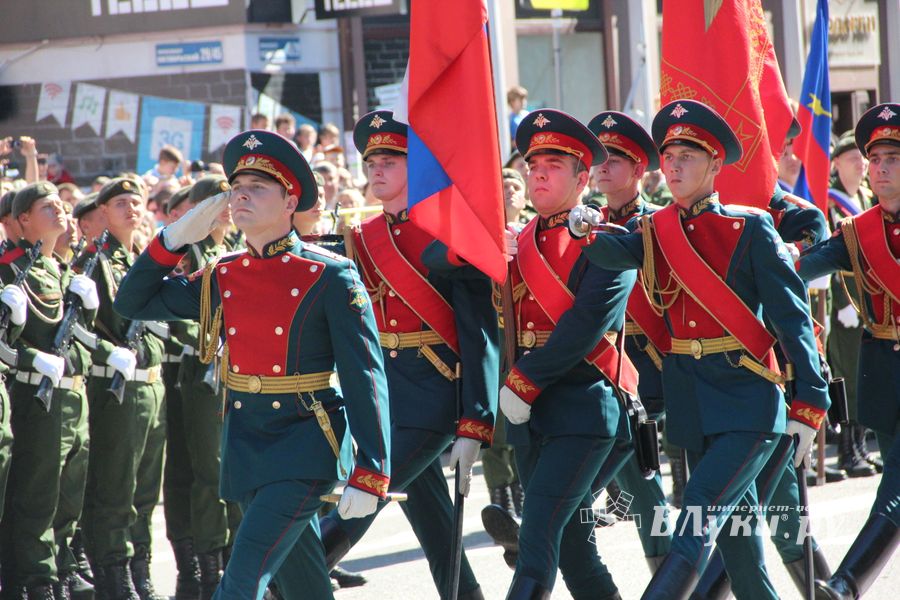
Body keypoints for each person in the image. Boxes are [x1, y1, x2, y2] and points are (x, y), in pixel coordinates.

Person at [114, 128, 391, 599]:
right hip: (246, 443)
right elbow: (132, 300)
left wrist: (372, 468)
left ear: (289, 202)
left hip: (305, 442)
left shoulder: (329, 275)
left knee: (241, 580)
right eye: (236, 188)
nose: (241, 195)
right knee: (304, 585)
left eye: (258, 188)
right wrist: (175, 237)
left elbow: (365, 375)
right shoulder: (225, 273)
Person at [572, 99, 829, 599]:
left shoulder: (751, 227)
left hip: (747, 402)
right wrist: (580, 226)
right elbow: (609, 248)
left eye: (688, 156)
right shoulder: (653, 229)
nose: (674, 165)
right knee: (742, 548)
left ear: (716, 165)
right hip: (694, 401)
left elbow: (792, 316)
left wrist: (811, 398)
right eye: (669, 156)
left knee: (697, 512)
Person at [318, 110, 498, 600]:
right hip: (388, 392)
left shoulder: (446, 231)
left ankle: (288, 580)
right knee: (437, 528)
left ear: (416, 168)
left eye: (390, 161)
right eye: (371, 160)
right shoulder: (364, 237)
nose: (376, 169)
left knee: (365, 492)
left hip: (436, 392)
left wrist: (476, 417)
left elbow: (477, 326)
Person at [496, 109, 635, 599]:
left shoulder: (607, 242)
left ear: (582, 178)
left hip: (582, 408)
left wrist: (523, 380)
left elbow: (584, 326)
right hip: (532, 417)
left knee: (535, 540)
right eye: (533, 163)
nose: (537, 172)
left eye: (553, 164)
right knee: (577, 554)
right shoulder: (516, 243)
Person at [797, 102, 900, 600]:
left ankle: (846, 583)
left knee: (896, 484)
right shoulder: (858, 232)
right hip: (884, 371)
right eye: (874, 158)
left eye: (892, 159)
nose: (879, 169)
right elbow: (804, 267)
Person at [0, 182, 98, 599]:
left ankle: (56, 568)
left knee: (67, 491)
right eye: (47, 206)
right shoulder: (10, 269)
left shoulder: (59, 269)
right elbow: (9, 337)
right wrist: (28, 353)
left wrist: (89, 312)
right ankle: (33, 578)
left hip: (70, 393)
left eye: (61, 204)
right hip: (34, 393)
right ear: (22, 220)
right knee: (36, 491)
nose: (60, 210)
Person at [585, 110, 672, 572]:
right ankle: (670, 574)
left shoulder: (661, 223)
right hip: (601, 357)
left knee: (625, 445)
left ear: (639, 169)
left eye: (614, 159)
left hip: (650, 358)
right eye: (598, 158)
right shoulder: (582, 223)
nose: (602, 167)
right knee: (639, 475)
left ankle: (548, 520)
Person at [76, 177, 168, 600]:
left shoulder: (142, 260)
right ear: (103, 213)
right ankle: (114, 580)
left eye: (136, 202)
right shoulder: (96, 261)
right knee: (117, 487)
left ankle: (139, 570)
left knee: (146, 491)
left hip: (152, 384)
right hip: (118, 388)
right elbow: (78, 327)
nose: (131, 209)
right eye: (120, 203)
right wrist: (107, 350)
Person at [827, 131, 881, 479]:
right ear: (836, 163)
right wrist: (844, 299)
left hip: (868, 306)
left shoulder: (865, 196)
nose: (861, 165)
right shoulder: (829, 202)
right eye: (853, 159)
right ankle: (847, 450)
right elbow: (830, 256)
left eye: (863, 159)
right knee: (846, 377)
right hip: (843, 306)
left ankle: (860, 445)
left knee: (865, 378)